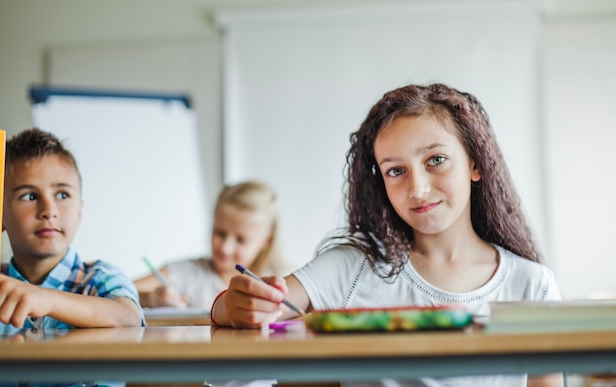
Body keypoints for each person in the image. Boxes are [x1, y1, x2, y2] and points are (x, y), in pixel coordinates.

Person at [210, 83, 563, 387]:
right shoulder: (351, 268)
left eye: (436, 160)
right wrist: (234, 304)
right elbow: (244, 311)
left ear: (475, 163)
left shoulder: (531, 284)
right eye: (396, 171)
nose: (418, 189)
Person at [0, 127, 144, 332]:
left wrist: (45, 299)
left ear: (80, 210)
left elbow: (129, 317)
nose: (49, 211)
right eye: (29, 196)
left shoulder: (101, 277)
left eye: (62, 195)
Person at [134, 180, 288, 310]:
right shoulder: (188, 273)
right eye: (220, 233)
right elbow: (119, 290)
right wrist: (150, 299)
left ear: (267, 240)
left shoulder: (284, 280)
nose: (225, 247)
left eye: (241, 240)